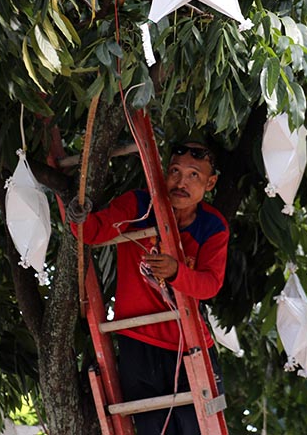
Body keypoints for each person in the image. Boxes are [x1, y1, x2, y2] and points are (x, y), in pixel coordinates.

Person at [69, 141, 228, 435]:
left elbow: (210, 284)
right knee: (153, 428)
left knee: (198, 427)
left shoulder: (212, 226)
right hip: (138, 342)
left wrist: (176, 272)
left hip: (190, 343)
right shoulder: (138, 205)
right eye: (175, 172)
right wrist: (77, 217)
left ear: (210, 182)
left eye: (194, 175)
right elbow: (94, 231)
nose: (181, 182)